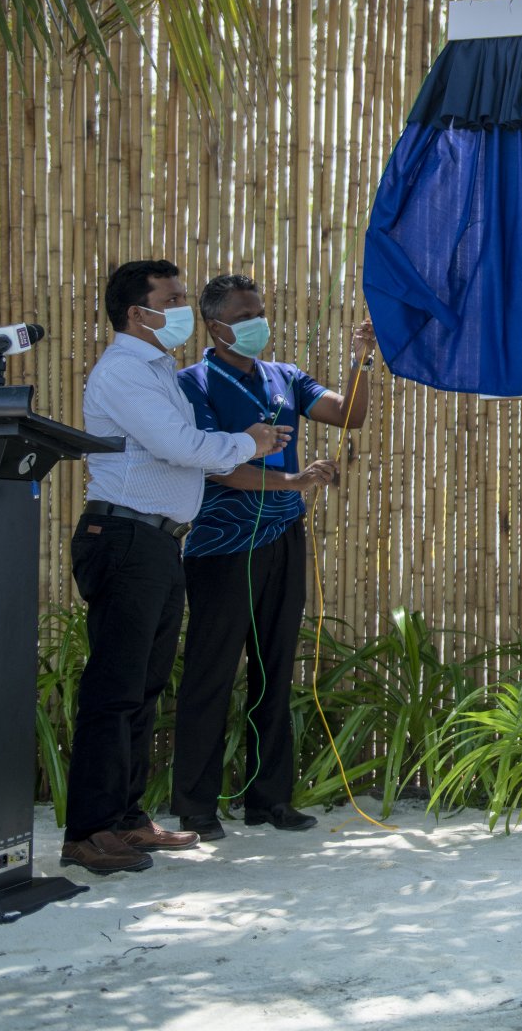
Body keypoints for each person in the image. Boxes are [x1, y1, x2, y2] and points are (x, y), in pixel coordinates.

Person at [63, 261, 290, 876]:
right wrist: (250, 441)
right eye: (176, 299)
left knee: (142, 687)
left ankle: (127, 820)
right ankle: (87, 831)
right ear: (140, 313)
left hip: (157, 541)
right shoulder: (123, 374)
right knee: (114, 691)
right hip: (124, 537)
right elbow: (181, 448)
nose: (186, 309)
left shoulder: (156, 371)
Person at [169, 274, 373, 838]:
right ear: (215, 326)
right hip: (221, 546)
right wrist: (294, 482)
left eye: (261, 310)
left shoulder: (284, 377)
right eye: (246, 314)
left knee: (275, 668)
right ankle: (196, 806)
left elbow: (348, 413)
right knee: (211, 671)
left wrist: (362, 360)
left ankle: (269, 799)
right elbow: (219, 467)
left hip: (283, 540)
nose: (260, 321)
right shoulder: (192, 385)